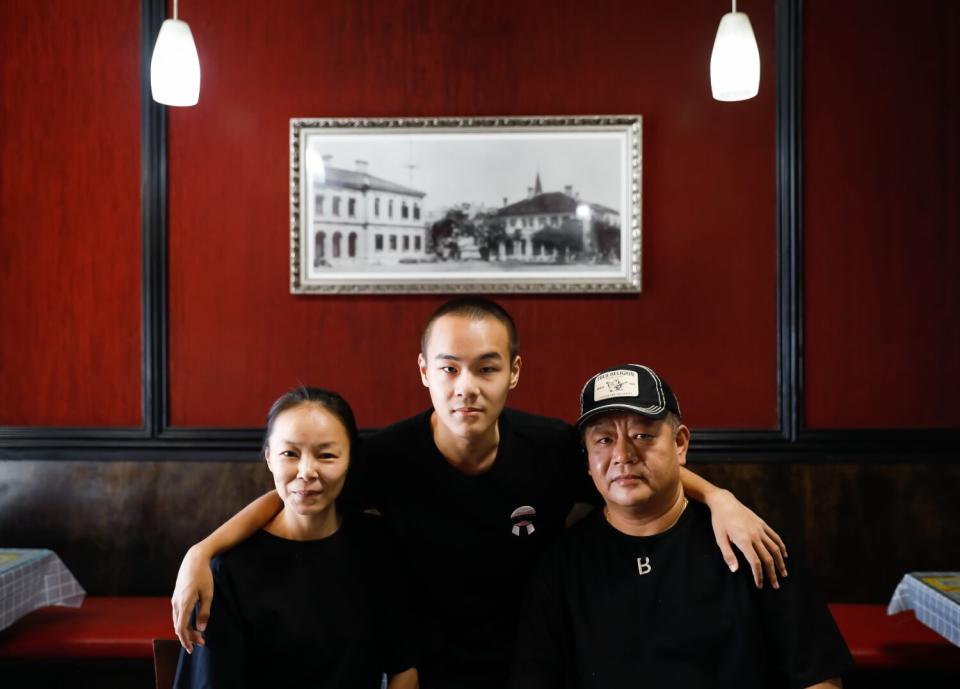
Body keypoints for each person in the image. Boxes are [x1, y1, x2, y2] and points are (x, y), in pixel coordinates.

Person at [171, 298, 788, 689]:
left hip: (535, 660)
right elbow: (295, 492)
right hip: (423, 661)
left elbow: (631, 476)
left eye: (487, 368)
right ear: (424, 373)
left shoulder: (549, 448)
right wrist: (202, 551)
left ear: (514, 373)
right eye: (449, 368)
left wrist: (720, 498)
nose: (466, 386)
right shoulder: (387, 455)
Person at [511, 364, 852, 688]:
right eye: (603, 440)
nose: (623, 454)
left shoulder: (749, 541)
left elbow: (817, 675)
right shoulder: (560, 567)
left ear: (680, 444)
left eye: (642, 434)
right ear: (586, 460)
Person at [173, 387, 418, 689]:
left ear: (351, 460)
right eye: (290, 453)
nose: (306, 471)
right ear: (269, 458)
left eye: (326, 455)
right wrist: (200, 552)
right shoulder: (227, 571)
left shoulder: (379, 546)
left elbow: (404, 669)